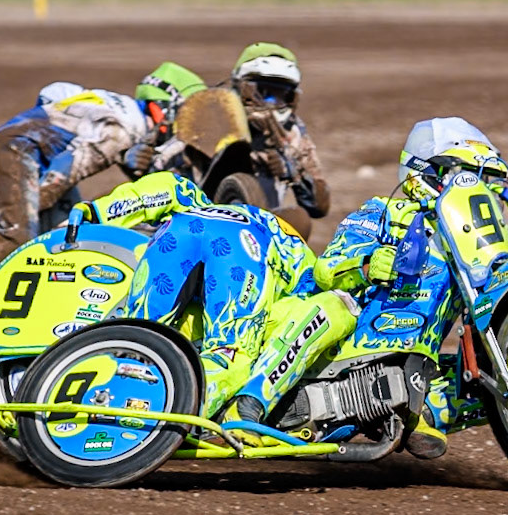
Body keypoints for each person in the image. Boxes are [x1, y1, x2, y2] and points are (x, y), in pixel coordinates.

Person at [223, 117, 508, 458]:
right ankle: (248, 406)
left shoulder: (463, 245)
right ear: (428, 172)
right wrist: (366, 264)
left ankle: (410, 409)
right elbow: (327, 269)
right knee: (334, 308)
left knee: (484, 377)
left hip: (409, 361)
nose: (477, 188)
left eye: (485, 180)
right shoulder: (384, 210)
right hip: (336, 338)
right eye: (466, 176)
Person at [66, 171, 319, 426]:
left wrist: (98, 210)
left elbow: (172, 185)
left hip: (184, 225)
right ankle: (177, 421)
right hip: (245, 245)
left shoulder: (214, 206)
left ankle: (90, 403)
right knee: (228, 353)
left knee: (134, 336)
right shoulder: (297, 250)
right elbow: (304, 313)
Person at [0, 64, 201, 293]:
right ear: (167, 107)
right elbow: (63, 173)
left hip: (19, 143)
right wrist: (32, 210)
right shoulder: (120, 130)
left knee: (37, 236)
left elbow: (51, 94)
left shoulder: (119, 107)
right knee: (16, 241)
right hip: (20, 149)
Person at [227, 43, 331, 226]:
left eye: (280, 94)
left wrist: (291, 171)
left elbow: (320, 206)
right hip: (203, 218)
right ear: (242, 88)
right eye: (263, 93)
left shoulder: (292, 132)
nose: (271, 103)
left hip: (259, 229)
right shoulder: (213, 116)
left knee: (299, 223)